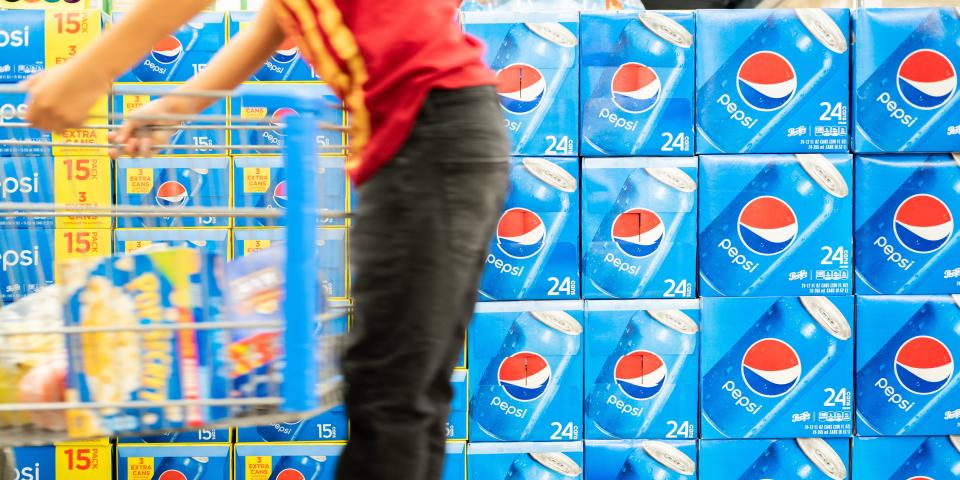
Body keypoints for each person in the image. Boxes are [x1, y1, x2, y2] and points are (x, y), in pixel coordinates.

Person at [24, 1, 509, 479]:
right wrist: (175, 107)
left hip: (430, 133)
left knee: (391, 386)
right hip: (430, 134)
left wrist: (88, 73)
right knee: (407, 386)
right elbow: (275, 24)